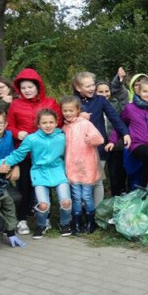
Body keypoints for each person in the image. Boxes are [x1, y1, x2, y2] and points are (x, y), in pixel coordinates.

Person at [0, 109, 71, 239]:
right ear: (38, 124)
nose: (48, 125)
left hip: (58, 171)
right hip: (39, 173)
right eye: (44, 123)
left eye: (51, 122)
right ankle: (42, 225)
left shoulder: (62, 136)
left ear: (56, 123)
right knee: (43, 205)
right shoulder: (32, 139)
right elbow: (17, 155)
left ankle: (65, 223)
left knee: (66, 202)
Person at [6, 68, 63, 236]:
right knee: (24, 187)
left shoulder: (50, 103)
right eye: (23, 88)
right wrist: (17, 133)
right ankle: (22, 219)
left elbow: (59, 124)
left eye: (30, 87)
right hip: (25, 153)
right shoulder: (15, 104)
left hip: (46, 152)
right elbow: (9, 125)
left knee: (46, 185)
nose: (27, 90)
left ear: (38, 87)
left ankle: (45, 218)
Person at [72, 71, 130, 206]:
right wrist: (77, 116)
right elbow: (63, 118)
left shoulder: (100, 100)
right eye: (87, 86)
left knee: (97, 180)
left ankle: (96, 209)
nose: (92, 88)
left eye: (93, 85)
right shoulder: (72, 101)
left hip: (98, 147)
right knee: (81, 179)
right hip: (79, 147)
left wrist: (125, 133)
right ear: (78, 87)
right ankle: (81, 208)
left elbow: (114, 117)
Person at [60, 95, 104, 234]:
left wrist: (91, 139)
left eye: (71, 110)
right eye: (65, 111)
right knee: (76, 197)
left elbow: (100, 139)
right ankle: (77, 221)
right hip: (72, 167)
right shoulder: (65, 127)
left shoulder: (85, 124)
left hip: (87, 166)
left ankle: (91, 221)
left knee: (86, 196)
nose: (68, 113)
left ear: (78, 110)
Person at [96, 80, 128, 196]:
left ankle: (117, 196)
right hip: (98, 146)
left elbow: (123, 94)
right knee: (98, 175)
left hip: (115, 145)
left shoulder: (116, 104)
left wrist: (118, 80)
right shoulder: (92, 106)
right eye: (100, 92)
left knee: (116, 174)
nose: (104, 94)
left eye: (107, 91)